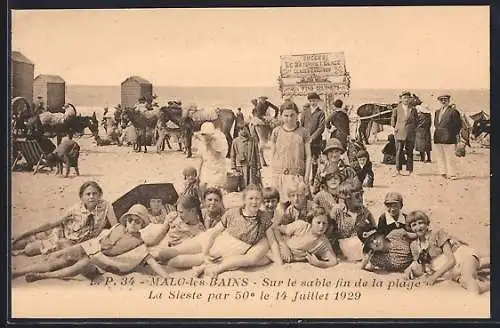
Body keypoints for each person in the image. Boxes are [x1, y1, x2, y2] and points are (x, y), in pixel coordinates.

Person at [13, 204, 169, 282]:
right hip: (94, 253)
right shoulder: (116, 229)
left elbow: (151, 262)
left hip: (104, 266)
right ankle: (19, 272)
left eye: (137, 221)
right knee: (64, 256)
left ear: (142, 225)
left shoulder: (139, 245)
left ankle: (43, 276)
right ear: (126, 221)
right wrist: (67, 250)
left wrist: (167, 278)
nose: (133, 223)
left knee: (81, 264)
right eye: (130, 220)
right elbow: (96, 242)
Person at [156, 185, 282, 277]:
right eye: (251, 198)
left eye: (257, 199)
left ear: (261, 201)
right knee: (165, 253)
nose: (254, 201)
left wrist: (279, 263)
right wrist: (205, 251)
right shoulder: (233, 213)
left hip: (226, 252)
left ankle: (163, 263)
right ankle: (152, 258)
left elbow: (273, 243)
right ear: (244, 200)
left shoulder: (264, 219)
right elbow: (214, 232)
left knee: (176, 262)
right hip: (209, 241)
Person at [12, 181, 118, 257]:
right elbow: (51, 224)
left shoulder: (106, 206)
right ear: (81, 197)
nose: (91, 197)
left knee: (30, 249)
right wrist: (27, 232)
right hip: (60, 232)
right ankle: (18, 239)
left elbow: (115, 226)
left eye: (95, 194)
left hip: (71, 242)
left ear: (100, 195)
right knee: (24, 240)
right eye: (88, 194)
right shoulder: (75, 209)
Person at [404, 210, 490, 295]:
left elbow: (451, 260)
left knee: (468, 278)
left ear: (427, 224)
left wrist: (434, 277)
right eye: (414, 225)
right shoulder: (414, 245)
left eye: (421, 223)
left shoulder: (437, 234)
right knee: (466, 284)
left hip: (462, 258)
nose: (418, 227)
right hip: (450, 272)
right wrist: (409, 269)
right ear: (410, 228)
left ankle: (474, 301)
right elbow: (418, 262)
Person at [270, 100, 311, 204]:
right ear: (281, 116)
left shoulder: (303, 132)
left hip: (297, 177)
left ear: (297, 115)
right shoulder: (276, 132)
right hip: (280, 177)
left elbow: (309, 157)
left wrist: (306, 179)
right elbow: (273, 155)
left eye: (292, 115)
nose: (289, 118)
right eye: (286, 115)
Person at [142, 195, 206, 259]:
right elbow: (158, 236)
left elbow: (185, 251)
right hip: (160, 245)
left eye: (181, 212)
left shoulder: (199, 231)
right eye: (177, 211)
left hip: (175, 254)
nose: (179, 215)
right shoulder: (174, 216)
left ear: (192, 211)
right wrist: (147, 244)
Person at [271, 206, 338, 267]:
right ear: (311, 221)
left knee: (268, 260)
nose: (321, 226)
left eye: (324, 223)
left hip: (279, 257)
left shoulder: (323, 242)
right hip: (274, 245)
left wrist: (318, 263)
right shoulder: (301, 226)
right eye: (318, 222)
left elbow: (334, 261)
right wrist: (284, 247)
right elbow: (276, 229)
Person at [329, 183, 376, 262]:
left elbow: (375, 229)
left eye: (362, 194)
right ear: (347, 198)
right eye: (357, 196)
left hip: (358, 246)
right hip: (340, 247)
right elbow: (329, 232)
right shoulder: (337, 211)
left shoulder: (365, 212)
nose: (361, 198)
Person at [433, 95, 462, 180]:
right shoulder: (437, 112)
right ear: (439, 101)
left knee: (449, 157)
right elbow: (436, 124)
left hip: (449, 138)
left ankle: (452, 174)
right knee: (440, 156)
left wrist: (452, 134)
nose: (443, 101)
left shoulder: (453, 112)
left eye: (445, 100)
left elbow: (457, 125)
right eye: (441, 100)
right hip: (438, 137)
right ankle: (443, 172)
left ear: (449, 100)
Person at [193, 122, 228, 190]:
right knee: (203, 188)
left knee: (213, 191)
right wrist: (198, 174)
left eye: (206, 134)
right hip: (206, 170)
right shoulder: (202, 142)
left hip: (217, 171)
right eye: (203, 134)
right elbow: (201, 159)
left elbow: (218, 156)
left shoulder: (219, 140)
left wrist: (209, 145)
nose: (204, 136)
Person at [391, 90, 418, 176]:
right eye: (404, 98)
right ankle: (398, 170)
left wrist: (412, 128)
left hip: (410, 133)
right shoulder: (396, 109)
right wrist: (397, 128)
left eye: (407, 98)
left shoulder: (413, 109)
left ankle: (410, 171)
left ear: (410, 99)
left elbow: (416, 121)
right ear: (401, 99)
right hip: (399, 133)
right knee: (398, 152)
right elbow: (393, 121)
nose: (406, 100)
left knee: (410, 152)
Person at [230, 123, 262, 189]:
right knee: (242, 186)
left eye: (245, 129)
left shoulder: (252, 141)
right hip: (241, 167)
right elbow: (233, 155)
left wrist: (258, 168)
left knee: (252, 186)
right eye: (241, 129)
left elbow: (257, 155)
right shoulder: (235, 141)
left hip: (252, 167)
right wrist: (233, 168)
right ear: (238, 131)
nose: (243, 131)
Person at [304, 92, 326, 180]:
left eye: (314, 101)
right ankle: (305, 178)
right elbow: (301, 125)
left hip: (315, 141)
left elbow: (321, 128)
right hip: (305, 141)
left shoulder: (321, 113)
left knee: (314, 160)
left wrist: (312, 138)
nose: (312, 103)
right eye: (310, 101)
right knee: (305, 159)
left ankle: (313, 178)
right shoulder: (305, 112)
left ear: (317, 101)